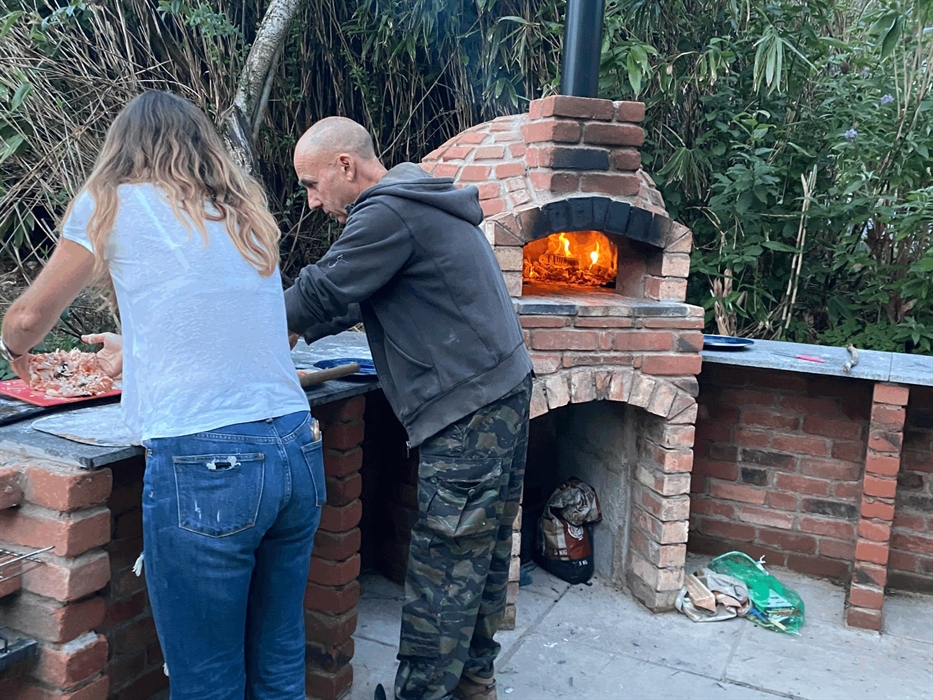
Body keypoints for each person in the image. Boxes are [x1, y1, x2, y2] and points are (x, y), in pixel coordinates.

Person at [0, 91, 320, 700]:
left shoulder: (111, 201)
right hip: (296, 447)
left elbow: (28, 319)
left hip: (209, 464)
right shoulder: (241, 212)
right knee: (279, 666)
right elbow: (217, 320)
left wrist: (13, 347)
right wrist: (135, 345)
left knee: (207, 679)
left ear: (123, 148)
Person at [284, 116, 534, 700]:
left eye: (312, 185)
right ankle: (474, 680)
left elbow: (323, 290)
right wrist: (295, 328)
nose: (313, 202)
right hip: (501, 391)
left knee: (444, 563)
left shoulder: (386, 212)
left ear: (345, 165)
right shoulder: (414, 199)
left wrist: (245, 323)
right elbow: (353, 297)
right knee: (480, 552)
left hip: (469, 409)